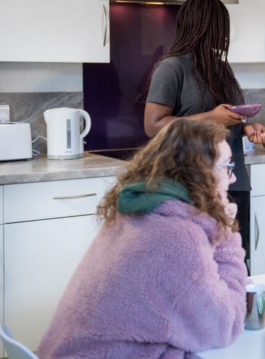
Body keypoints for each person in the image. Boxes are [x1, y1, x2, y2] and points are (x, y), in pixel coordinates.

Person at [37, 119, 248, 357]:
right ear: (198, 172)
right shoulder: (177, 236)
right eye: (226, 167)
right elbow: (223, 327)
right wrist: (226, 231)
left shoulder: (135, 209)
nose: (233, 179)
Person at [143, 0, 265, 267]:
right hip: (193, 185)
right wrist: (212, 116)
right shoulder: (171, 67)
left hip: (234, 182)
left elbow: (227, 117)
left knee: (235, 266)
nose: (224, 36)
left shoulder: (220, 67)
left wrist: (246, 127)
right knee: (199, 268)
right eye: (220, 27)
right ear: (203, 26)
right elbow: (153, 125)